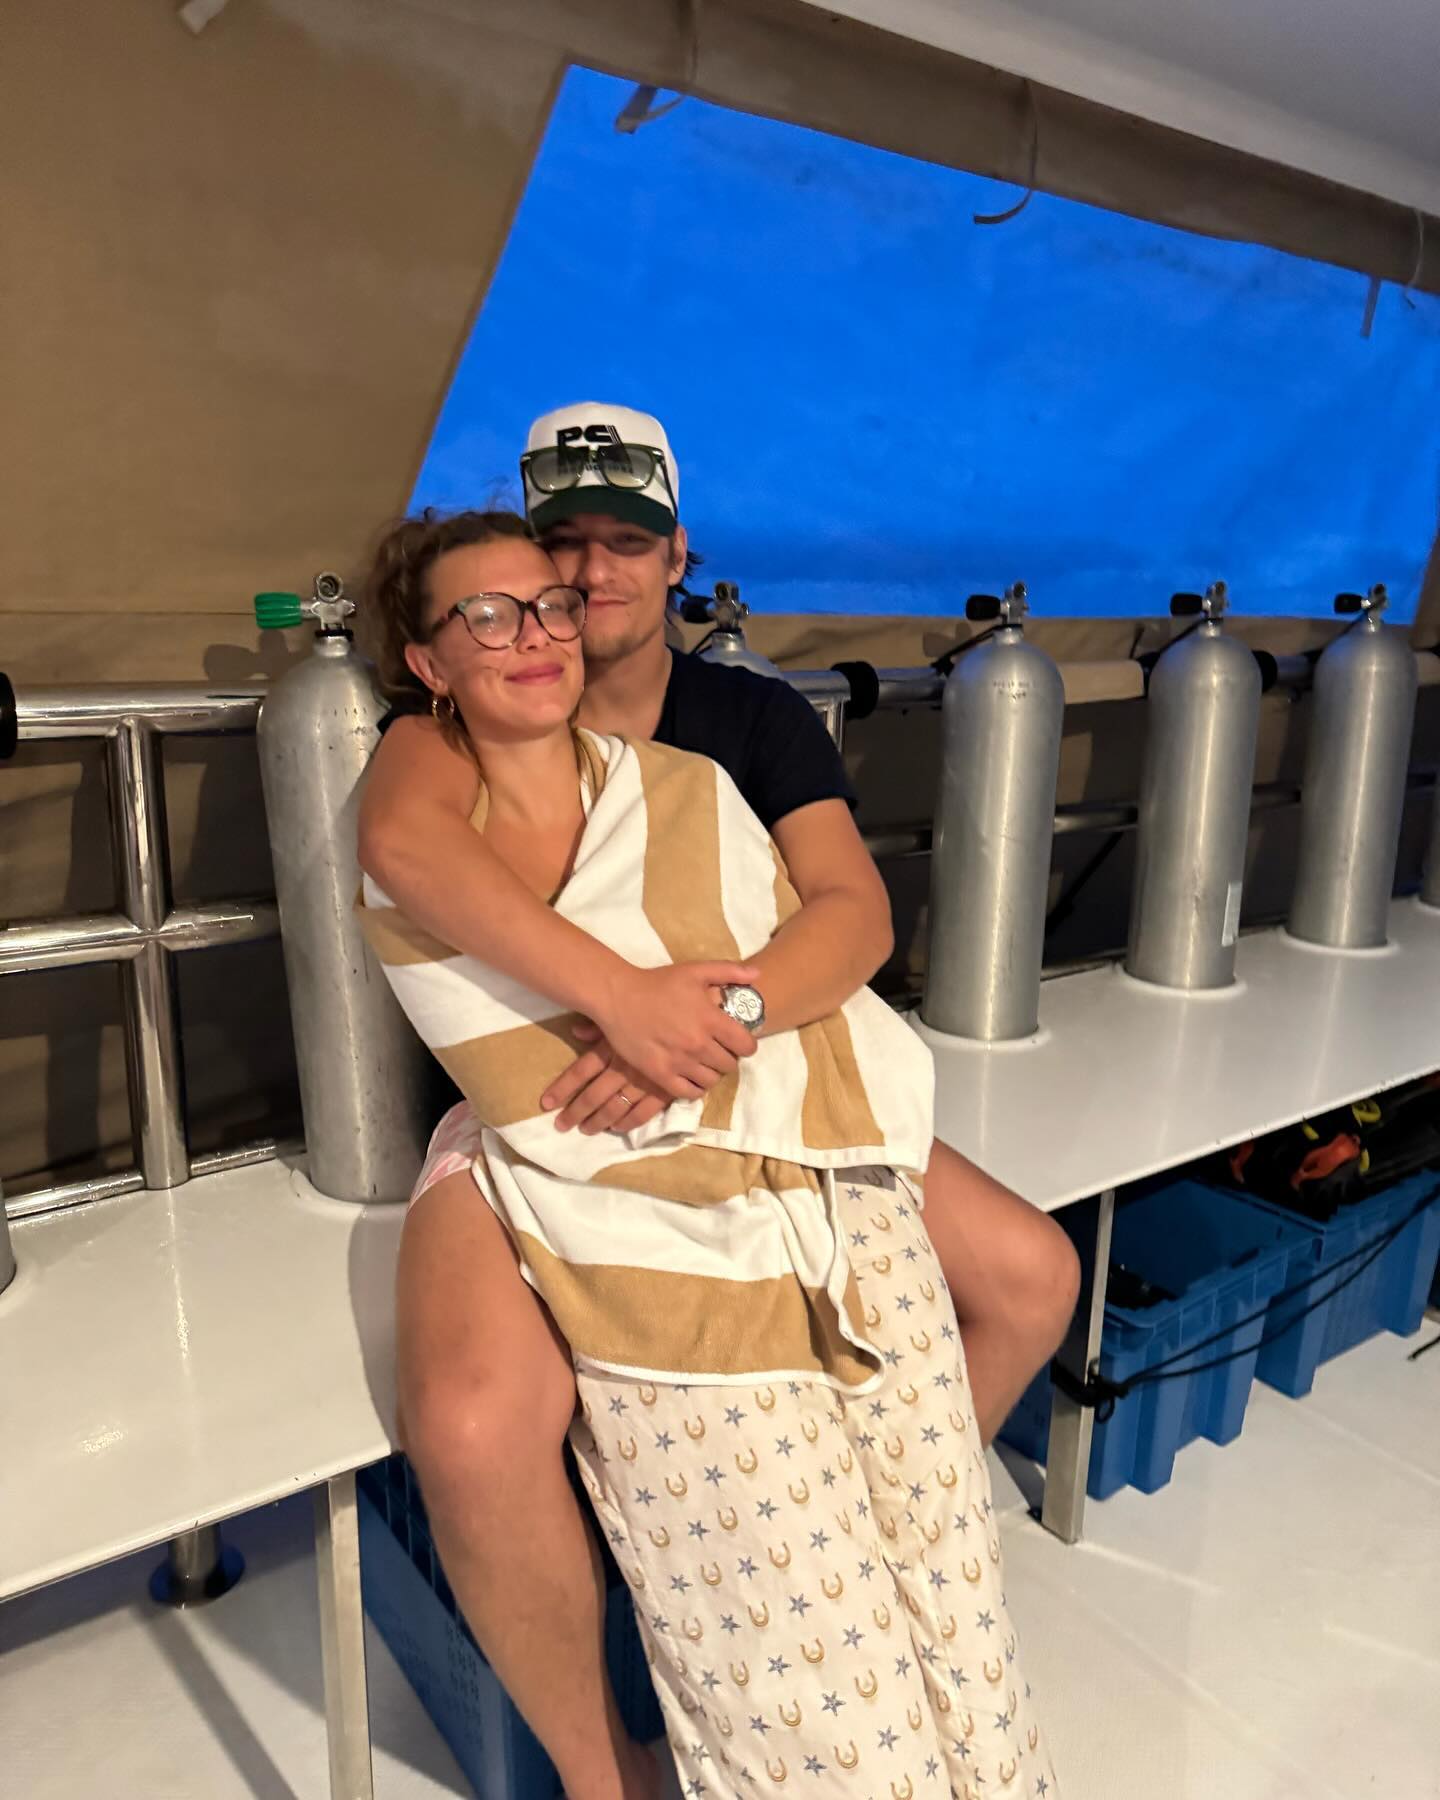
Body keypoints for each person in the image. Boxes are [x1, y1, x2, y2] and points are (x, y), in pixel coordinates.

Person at [358, 405, 1078, 1800]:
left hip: (755, 1059)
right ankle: (602, 1760)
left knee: (1031, 1273)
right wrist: (628, 1009)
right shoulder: (439, 736)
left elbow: (850, 917)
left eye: (619, 545)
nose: (580, 585)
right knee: (466, 1422)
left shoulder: (740, 720)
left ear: (675, 554)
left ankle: (850, 1557)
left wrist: (719, 1015)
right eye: (554, 553)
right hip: (552, 1092)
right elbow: (397, 848)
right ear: (452, 639)